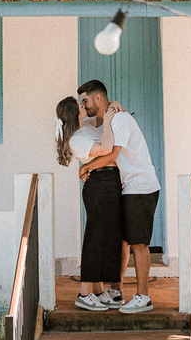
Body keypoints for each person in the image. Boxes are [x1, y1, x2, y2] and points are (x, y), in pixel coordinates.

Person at [76, 79, 160, 314]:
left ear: (98, 98)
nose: (85, 105)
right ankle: (116, 290)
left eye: (86, 101)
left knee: (138, 242)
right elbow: (85, 122)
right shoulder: (107, 119)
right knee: (123, 239)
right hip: (127, 186)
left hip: (140, 185)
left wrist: (86, 167)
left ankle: (143, 296)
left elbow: (113, 153)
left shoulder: (120, 119)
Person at [54, 95, 125, 312]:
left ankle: (97, 289)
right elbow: (106, 147)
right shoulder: (76, 138)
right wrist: (111, 121)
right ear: (73, 112)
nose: (84, 105)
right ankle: (84, 293)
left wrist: (112, 107)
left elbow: (101, 117)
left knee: (105, 237)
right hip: (100, 184)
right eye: (80, 104)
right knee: (95, 237)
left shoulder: (84, 125)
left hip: (109, 181)